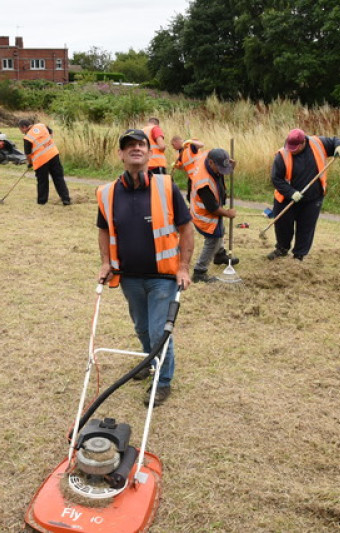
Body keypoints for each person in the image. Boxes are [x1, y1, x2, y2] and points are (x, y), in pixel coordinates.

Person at [96, 129, 194, 406]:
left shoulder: (166, 187)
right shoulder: (107, 193)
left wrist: (184, 267)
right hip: (129, 277)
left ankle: (162, 381)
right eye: (129, 146)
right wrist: (105, 263)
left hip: (163, 278)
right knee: (141, 328)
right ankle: (150, 362)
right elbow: (103, 230)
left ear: (150, 154)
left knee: (157, 332)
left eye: (141, 144)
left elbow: (186, 229)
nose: (136, 148)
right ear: (121, 155)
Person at [267, 128, 340, 261]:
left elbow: (335, 141)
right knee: (283, 225)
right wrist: (291, 193)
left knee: (306, 227)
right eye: (290, 147)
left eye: (295, 147)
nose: (292, 150)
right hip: (287, 198)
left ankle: (299, 255)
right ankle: (281, 249)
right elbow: (276, 179)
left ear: (304, 142)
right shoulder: (281, 156)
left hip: (313, 197)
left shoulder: (318, 143)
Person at [189, 148, 239, 283]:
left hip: (211, 208)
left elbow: (221, 168)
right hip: (204, 215)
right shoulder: (203, 182)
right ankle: (199, 272)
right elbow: (213, 208)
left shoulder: (209, 154)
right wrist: (228, 213)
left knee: (220, 230)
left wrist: (229, 166)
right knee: (213, 240)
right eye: (220, 168)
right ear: (210, 163)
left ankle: (219, 255)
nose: (221, 172)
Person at [19, 119, 71, 205]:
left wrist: (30, 163)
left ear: (24, 127)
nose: (21, 131)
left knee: (43, 181)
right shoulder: (41, 126)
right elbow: (50, 132)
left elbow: (28, 155)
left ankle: (42, 201)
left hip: (41, 161)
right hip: (53, 155)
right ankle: (66, 199)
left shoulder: (27, 138)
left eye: (20, 129)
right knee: (59, 178)